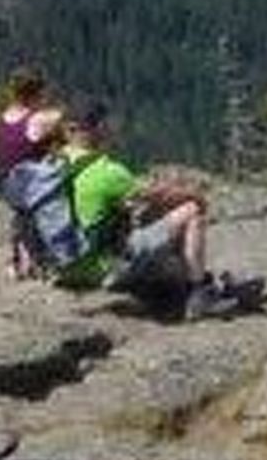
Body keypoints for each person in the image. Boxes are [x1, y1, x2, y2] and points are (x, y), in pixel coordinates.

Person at [55, 101, 238, 321]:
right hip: (100, 267)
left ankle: (183, 279)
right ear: (100, 128)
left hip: (62, 264)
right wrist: (195, 195)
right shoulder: (107, 171)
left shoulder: (52, 164)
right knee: (192, 210)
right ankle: (198, 294)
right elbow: (156, 195)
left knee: (147, 220)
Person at [0, 67, 61, 279]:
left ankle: (19, 257)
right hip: (29, 188)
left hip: (7, 186)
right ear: (38, 93)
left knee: (23, 217)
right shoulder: (37, 119)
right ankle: (40, 258)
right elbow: (66, 118)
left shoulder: (2, 119)